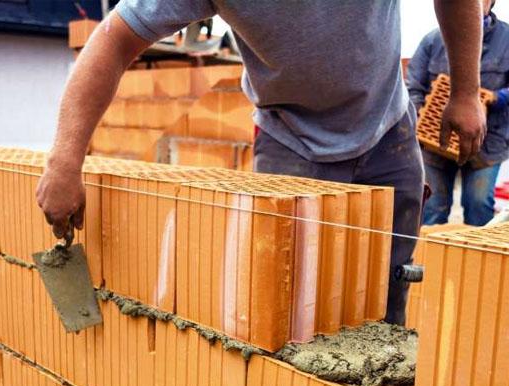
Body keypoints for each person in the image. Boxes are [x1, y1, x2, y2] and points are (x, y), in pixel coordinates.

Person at [36, 0, 487, 326]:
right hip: (290, 141)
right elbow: (114, 41)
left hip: (388, 130)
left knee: (388, 286)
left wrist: (466, 91)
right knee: (289, 305)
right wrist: (64, 161)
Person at [407, 0, 509, 226]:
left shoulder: (507, 40)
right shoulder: (433, 40)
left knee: (479, 206)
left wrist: (498, 97)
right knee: (432, 208)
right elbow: (414, 84)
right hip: (436, 142)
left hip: (488, 144)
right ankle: (431, 249)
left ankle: (477, 249)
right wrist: (422, 116)